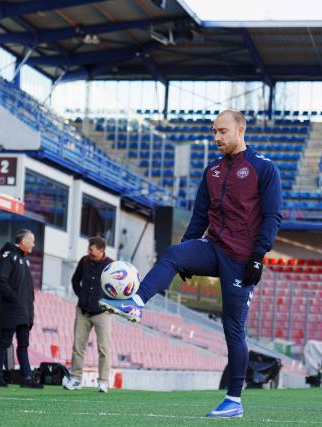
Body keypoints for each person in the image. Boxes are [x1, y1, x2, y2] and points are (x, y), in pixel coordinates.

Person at [100, 110, 282, 418]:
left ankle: (234, 401)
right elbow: (200, 216)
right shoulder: (211, 171)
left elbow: (272, 216)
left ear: (240, 130)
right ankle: (136, 302)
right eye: (214, 132)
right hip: (214, 248)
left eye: (222, 131)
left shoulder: (263, 168)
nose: (216, 138)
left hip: (241, 260)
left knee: (233, 331)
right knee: (174, 253)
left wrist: (258, 256)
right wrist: (187, 252)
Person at [0, 229, 43, 389]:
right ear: (24, 241)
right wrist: (15, 299)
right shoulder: (8, 257)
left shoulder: (24, 260)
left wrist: (29, 315)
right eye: (32, 240)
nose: (34, 244)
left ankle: (27, 377)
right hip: (11, 311)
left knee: (23, 345)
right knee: (4, 343)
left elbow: (29, 294)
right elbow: (0, 281)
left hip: (24, 313)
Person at [64, 237, 113, 393]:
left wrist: (108, 302)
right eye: (88, 249)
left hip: (102, 313)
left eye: (91, 250)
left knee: (104, 348)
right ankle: (76, 379)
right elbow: (74, 280)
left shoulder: (111, 265)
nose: (88, 252)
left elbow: (117, 287)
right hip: (83, 311)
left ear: (101, 250)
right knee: (78, 347)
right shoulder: (84, 261)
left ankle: (104, 382)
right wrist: (81, 296)